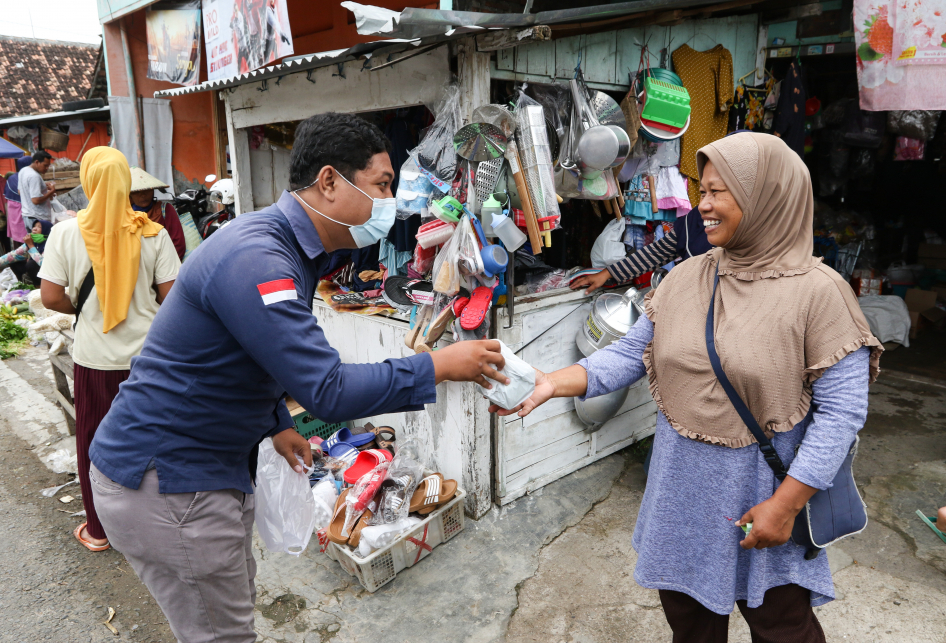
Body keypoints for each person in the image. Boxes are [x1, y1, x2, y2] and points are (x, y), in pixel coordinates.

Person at [86, 112, 507, 641]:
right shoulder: (261, 258)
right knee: (223, 633)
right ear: (329, 182)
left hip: (201, 468)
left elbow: (244, 356)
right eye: (381, 186)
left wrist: (275, 421)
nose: (390, 204)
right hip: (169, 479)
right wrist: (438, 366)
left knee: (229, 607)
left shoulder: (290, 248)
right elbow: (327, 389)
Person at [494, 132, 882, 642]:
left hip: (763, 494)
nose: (703, 205)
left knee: (781, 626)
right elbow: (634, 352)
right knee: (690, 623)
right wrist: (551, 381)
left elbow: (841, 416)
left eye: (720, 193)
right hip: (682, 494)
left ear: (768, 197)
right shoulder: (686, 278)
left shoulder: (820, 293)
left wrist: (786, 505)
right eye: (704, 191)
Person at [38, 147, 181, 554]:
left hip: (94, 360)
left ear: (88, 181)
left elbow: (50, 298)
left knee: (93, 440)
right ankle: (159, 526)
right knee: (156, 440)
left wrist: (84, 310)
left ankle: (99, 530)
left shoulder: (65, 233)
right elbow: (173, 300)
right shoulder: (152, 233)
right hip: (149, 360)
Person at [571, 206, 712, 294]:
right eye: (703, 192)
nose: (705, 203)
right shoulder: (697, 220)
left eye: (716, 192)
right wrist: (608, 273)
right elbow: (659, 251)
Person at [129, 167, 186, 260]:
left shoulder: (166, 209)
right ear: (130, 194)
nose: (143, 195)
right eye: (137, 191)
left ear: (153, 190)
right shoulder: (125, 214)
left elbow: (179, 244)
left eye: (147, 190)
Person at [19, 151, 56, 229]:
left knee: (32, 241)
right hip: (38, 218)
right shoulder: (34, 176)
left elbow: (20, 191)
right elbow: (36, 200)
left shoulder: (23, 171)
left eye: (48, 166)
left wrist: (42, 185)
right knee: (43, 241)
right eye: (45, 165)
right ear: (37, 162)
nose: (47, 168)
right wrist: (51, 192)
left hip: (28, 216)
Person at [5, 156, 33, 247]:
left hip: (13, 215)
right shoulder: (26, 177)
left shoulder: (12, 178)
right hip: (22, 212)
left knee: (18, 242)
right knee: (26, 239)